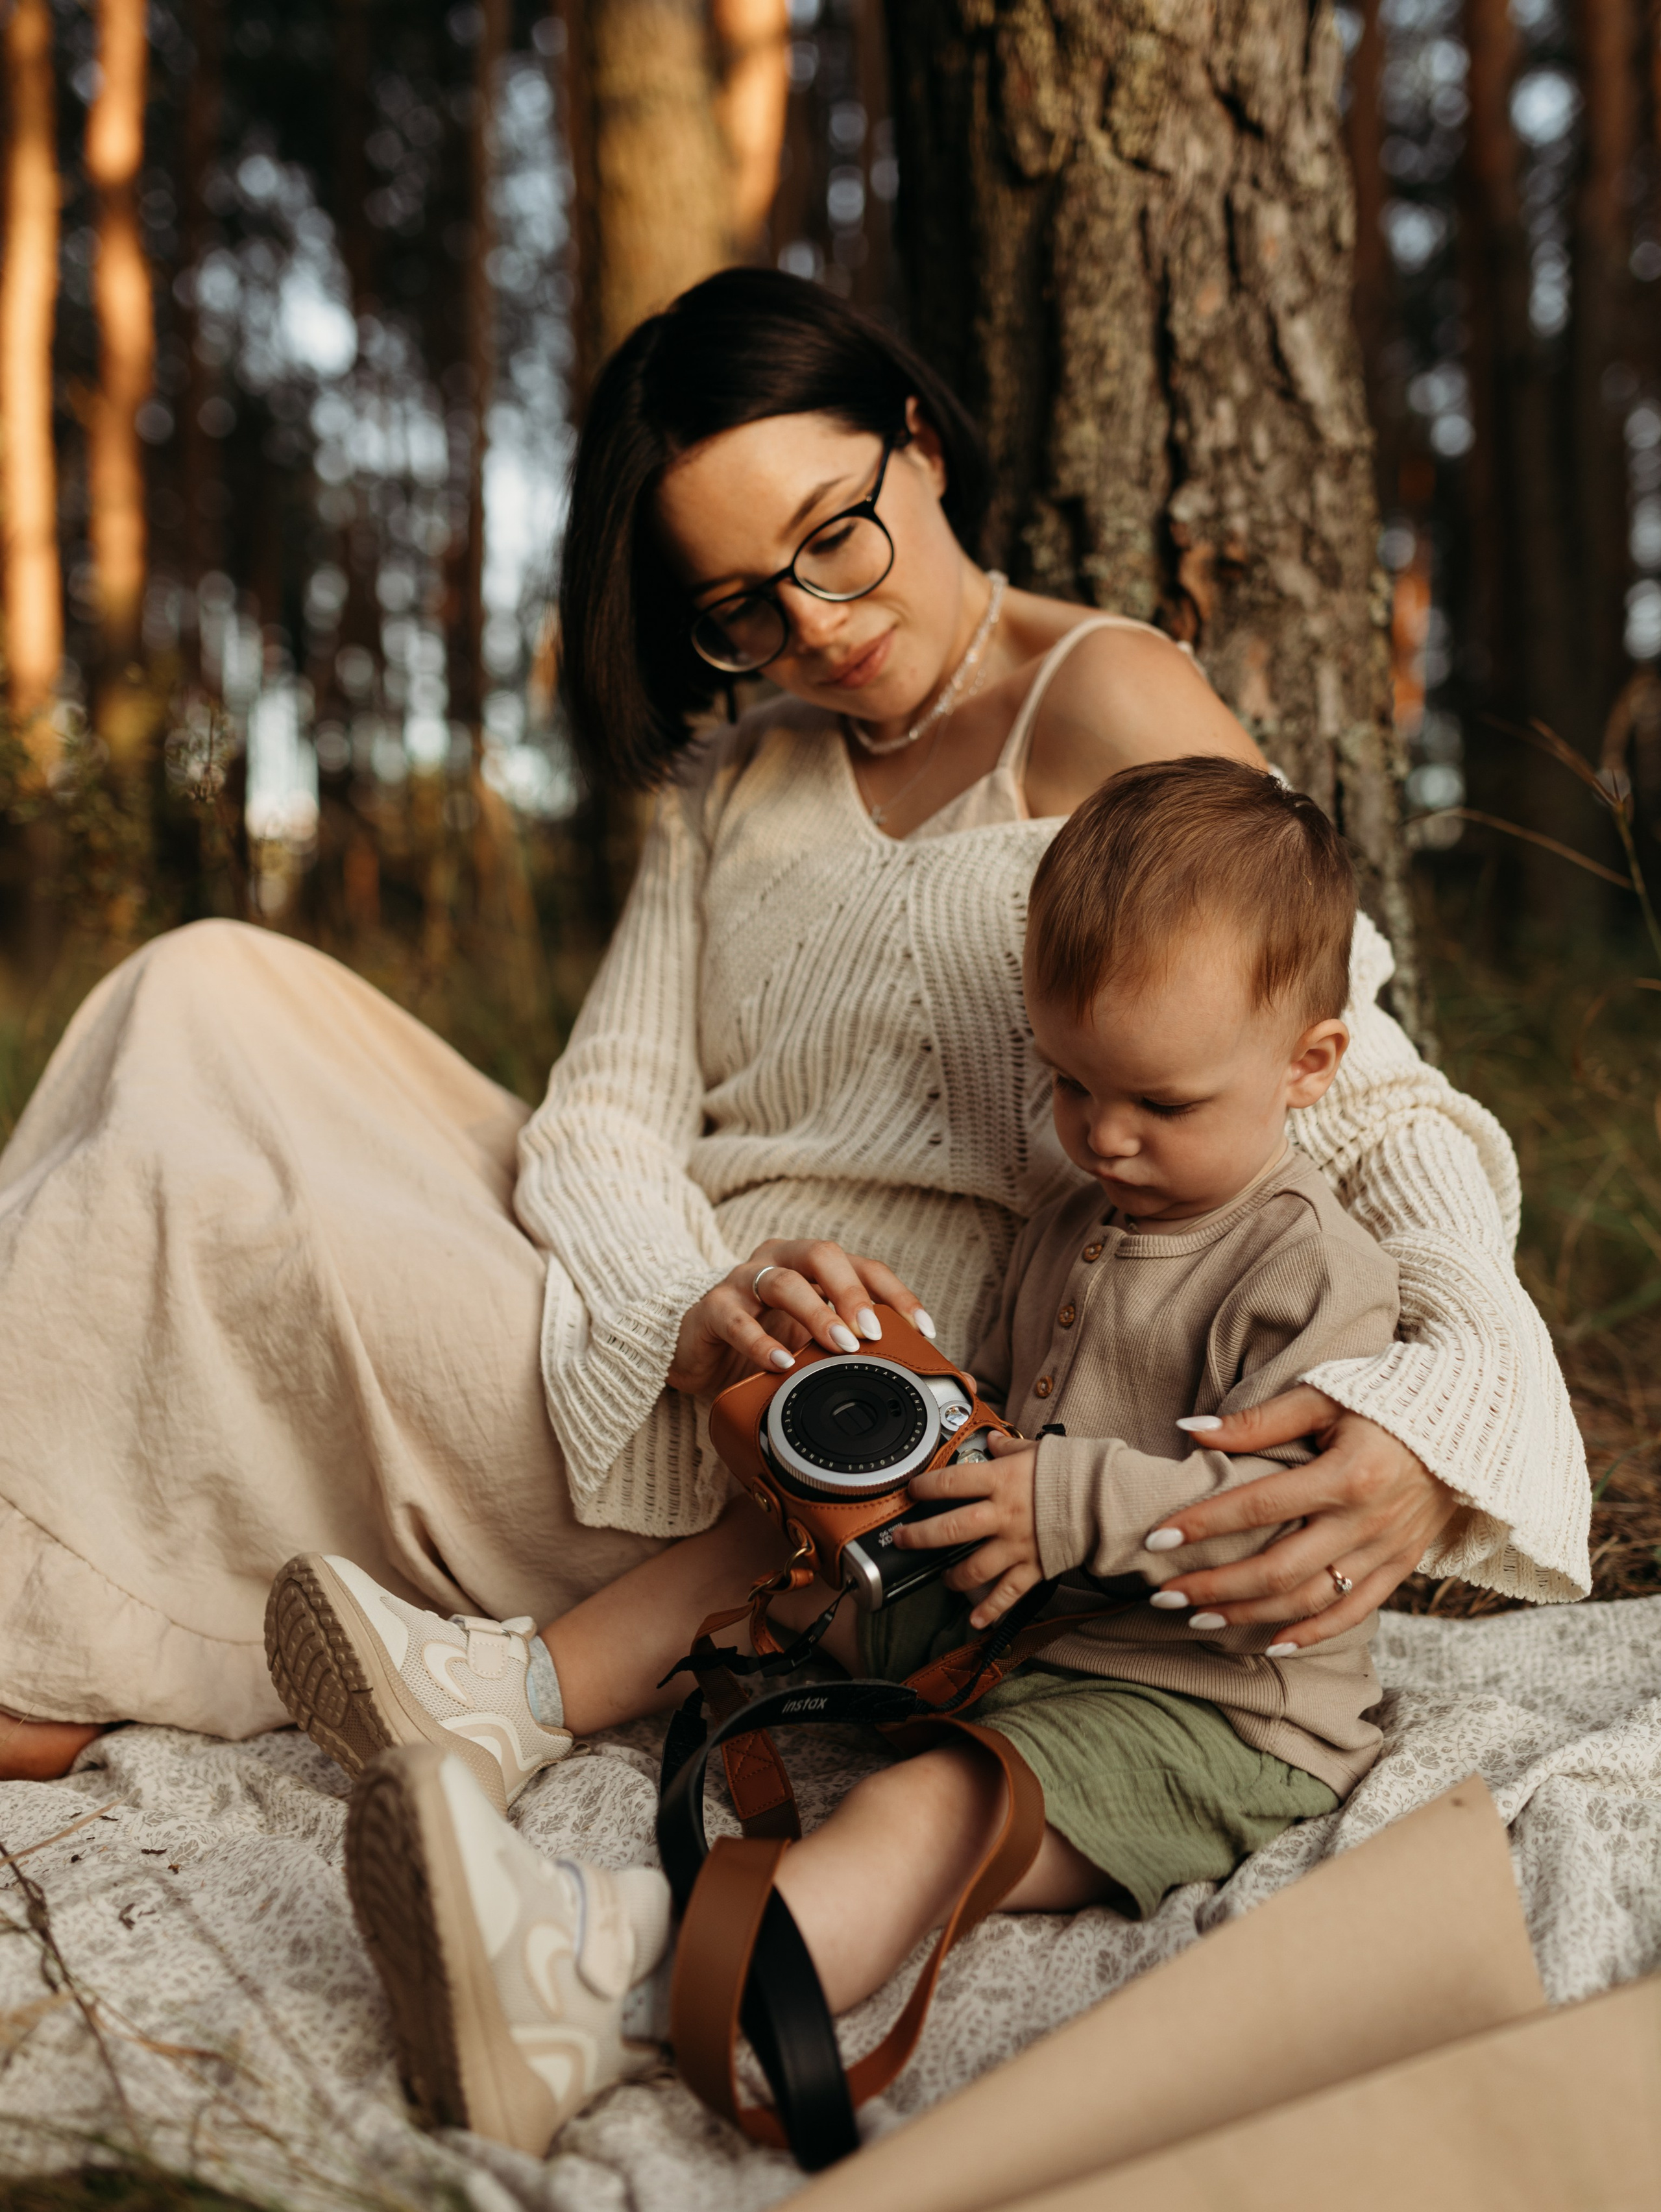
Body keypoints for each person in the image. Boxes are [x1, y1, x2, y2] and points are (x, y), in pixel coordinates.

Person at [0, 268, 1587, 1790]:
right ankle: (84, 1610)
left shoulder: (1109, 696)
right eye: (740, 606)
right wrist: (676, 1309)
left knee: (197, 1174)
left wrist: (1449, 1407)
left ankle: (80, 1647)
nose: (814, 627)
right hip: (671, 1347)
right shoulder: (734, 774)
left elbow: (1352, 1090)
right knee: (197, 986)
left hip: (857, 1440)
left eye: (833, 536)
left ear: (918, 440)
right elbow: (605, 1115)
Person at [270, 755, 1424, 2154]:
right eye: (1068, 1083)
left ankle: (600, 1986)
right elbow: (1012, 1408)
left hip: (1209, 1705)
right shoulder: (1077, 1216)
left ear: (1310, 1063)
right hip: (1034, 1613)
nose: (1104, 1135)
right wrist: (896, 1397)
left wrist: (1058, 1501)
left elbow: (1285, 1518)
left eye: (1160, 1103)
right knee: (785, 1537)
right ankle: (497, 1699)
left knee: (927, 1806)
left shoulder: (1313, 1268)